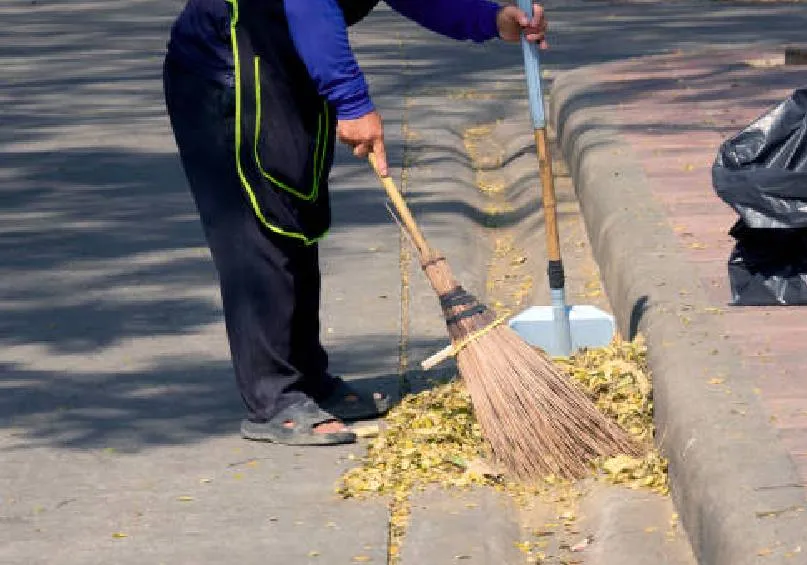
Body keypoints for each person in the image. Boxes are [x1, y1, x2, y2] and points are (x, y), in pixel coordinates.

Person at [162, 0, 548, 446]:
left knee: (295, 220)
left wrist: (487, 19)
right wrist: (352, 99)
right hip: (227, 72)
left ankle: (308, 377)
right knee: (257, 230)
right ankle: (274, 397)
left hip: (284, 68)